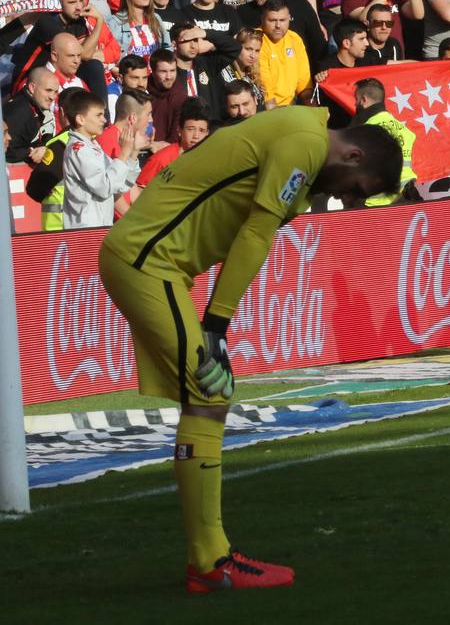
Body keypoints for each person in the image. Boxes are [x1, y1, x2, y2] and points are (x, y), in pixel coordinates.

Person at [100, 105, 400, 590]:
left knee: (207, 398)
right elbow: (255, 233)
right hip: (148, 262)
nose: (350, 199)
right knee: (209, 394)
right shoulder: (304, 145)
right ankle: (210, 564)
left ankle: (210, 558)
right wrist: (216, 327)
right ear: (354, 154)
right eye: (357, 188)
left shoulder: (301, 139)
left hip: (157, 264)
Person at [61, 87, 145, 228]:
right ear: (80, 119)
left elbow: (120, 185)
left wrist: (132, 154)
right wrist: (124, 154)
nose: (104, 120)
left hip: (100, 227)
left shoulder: (92, 146)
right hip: (85, 230)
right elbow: (104, 187)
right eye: (98, 115)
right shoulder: (79, 149)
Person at [350, 77, 415, 206]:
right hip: (406, 197)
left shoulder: (362, 129)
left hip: (375, 203)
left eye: (356, 101)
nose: (355, 105)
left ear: (363, 100)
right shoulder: (401, 128)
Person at [257, 0, 311, 108]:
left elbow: (304, 79)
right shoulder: (256, 39)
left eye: (282, 20)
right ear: (262, 19)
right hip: (265, 107)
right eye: (272, 20)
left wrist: (311, 103)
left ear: (289, 18)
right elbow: (264, 82)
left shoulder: (294, 38)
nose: (278, 25)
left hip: (292, 104)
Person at [4, 65, 58, 163]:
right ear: (32, 88)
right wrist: (32, 151)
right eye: (48, 90)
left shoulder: (37, 106)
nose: (53, 97)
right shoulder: (19, 111)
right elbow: (7, 151)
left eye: (55, 92)